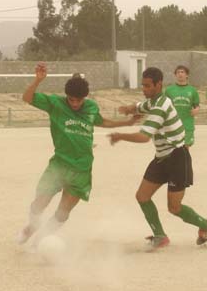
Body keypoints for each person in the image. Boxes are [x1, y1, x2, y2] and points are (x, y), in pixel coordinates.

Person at [18, 63, 138, 246]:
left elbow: (102, 121)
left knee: (63, 212)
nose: (75, 103)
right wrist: (38, 80)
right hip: (59, 165)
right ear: (66, 96)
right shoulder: (55, 104)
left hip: (82, 169)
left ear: (85, 97)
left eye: (78, 100)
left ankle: (40, 241)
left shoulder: (90, 107)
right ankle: (31, 227)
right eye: (71, 100)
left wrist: (127, 124)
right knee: (39, 203)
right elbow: (27, 98)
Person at [108, 67, 207, 250]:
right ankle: (160, 236)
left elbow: (144, 137)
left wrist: (120, 135)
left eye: (148, 86)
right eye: (143, 85)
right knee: (142, 196)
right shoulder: (154, 100)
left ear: (159, 85)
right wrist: (130, 108)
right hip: (161, 158)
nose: (144, 89)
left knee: (174, 208)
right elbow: (142, 106)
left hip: (177, 157)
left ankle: (206, 225)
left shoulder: (161, 106)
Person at [164, 65, 200, 147]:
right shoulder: (169, 90)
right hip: (173, 124)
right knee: (173, 149)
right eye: (178, 72)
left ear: (187, 75)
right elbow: (164, 105)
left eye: (182, 72)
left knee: (186, 148)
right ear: (175, 75)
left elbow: (196, 105)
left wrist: (197, 109)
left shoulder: (192, 90)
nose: (180, 74)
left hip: (187, 124)